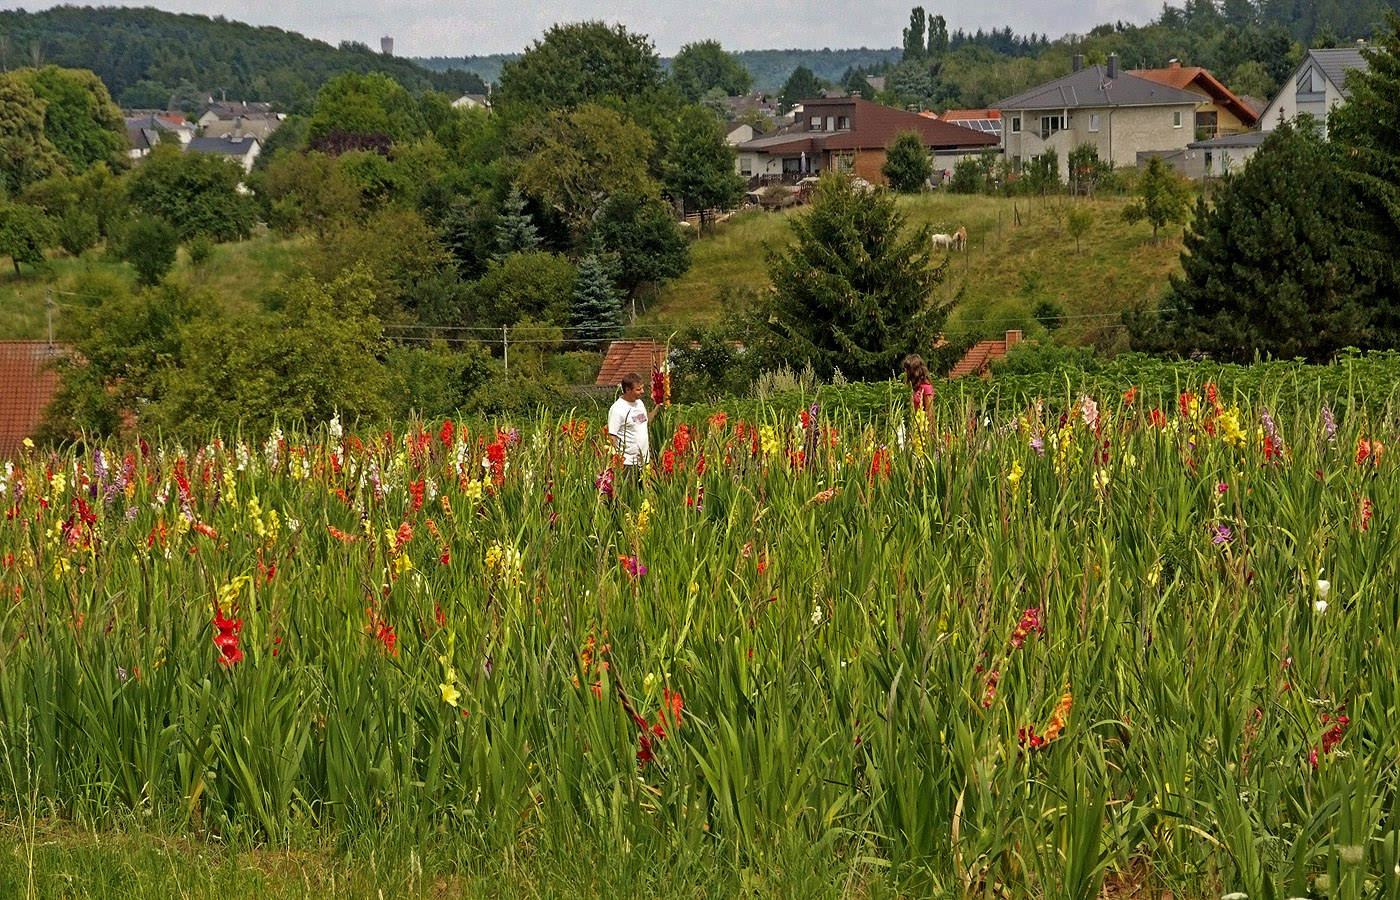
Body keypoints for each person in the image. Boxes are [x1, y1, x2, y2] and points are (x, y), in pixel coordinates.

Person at [608, 372, 650, 482]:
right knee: (630, 495)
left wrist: (658, 407)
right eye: (638, 389)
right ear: (628, 390)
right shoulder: (617, 409)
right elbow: (612, 436)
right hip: (628, 463)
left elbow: (645, 421)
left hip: (644, 461)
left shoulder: (639, 403)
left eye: (642, 388)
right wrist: (617, 459)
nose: (642, 392)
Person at [903, 354, 934, 424]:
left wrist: (929, 433)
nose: (906, 373)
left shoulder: (926, 388)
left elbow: (930, 414)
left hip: (923, 426)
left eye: (908, 370)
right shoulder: (915, 388)